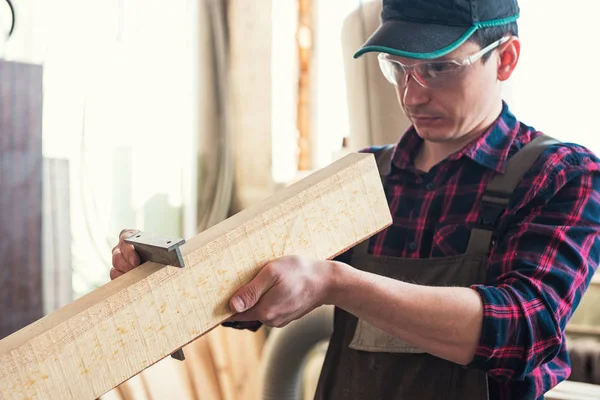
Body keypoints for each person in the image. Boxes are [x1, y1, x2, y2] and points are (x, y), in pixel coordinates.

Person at [111, 0, 600, 398]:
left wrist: (337, 282)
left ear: (507, 57)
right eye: (398, 68)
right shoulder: (363, 176)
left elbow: (525, 329)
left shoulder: (560, 176)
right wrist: (166, 280)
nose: (412, 95)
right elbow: (251, 283)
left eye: (439, 68)